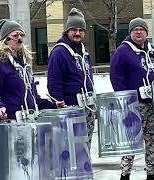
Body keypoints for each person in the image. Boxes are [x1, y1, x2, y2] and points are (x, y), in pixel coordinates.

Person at [110, 17, 154, 180]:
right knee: (131, 140)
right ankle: (125, 174)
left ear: (146, 32)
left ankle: (151, 173)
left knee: (152, 140)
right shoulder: (122, 51)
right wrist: (125, 99)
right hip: (134, 104)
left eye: (141, 29)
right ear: (130, 33)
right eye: (135, 29)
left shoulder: (153, 51)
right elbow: (116, 77)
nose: (138, 32)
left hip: (152, 104)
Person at [0, 19, 65, 122]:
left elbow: (34, 97)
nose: (20, 38)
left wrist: (52, 105)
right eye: (15, 35)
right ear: (6, 39)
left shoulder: (23, 64)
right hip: (11, 121)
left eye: (21, 35)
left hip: (30, 120)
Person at [47, 8, 95, 148]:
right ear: (67, 31)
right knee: (71, 149)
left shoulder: (83, 52)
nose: (77, 33)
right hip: (70, 106)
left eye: (81, 30)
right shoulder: (59, 52)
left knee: (85, 148)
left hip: (87, 106)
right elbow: (53, 83)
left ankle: (84, 169)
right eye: (74, 29)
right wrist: (61, 106)